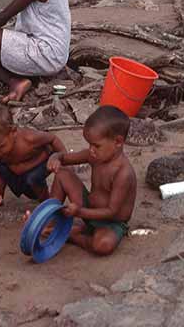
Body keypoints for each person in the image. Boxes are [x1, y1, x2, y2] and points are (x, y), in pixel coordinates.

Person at [46, 105, 137, 256]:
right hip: (88, 207)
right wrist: (55, 158)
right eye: (89, 144)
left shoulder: (123, 173)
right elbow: (64, 158)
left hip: (110, 222)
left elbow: (112, 212)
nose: (91, 150)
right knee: (62, 174)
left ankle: (73, 236)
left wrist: (80, 212)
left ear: (118, 142)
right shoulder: (94, 155)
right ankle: (48, 217)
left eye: (96, 145)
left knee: (102, 245)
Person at [0, 105, 67, 217]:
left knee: (33, 177)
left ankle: (47, 204)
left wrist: (63, 156)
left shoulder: (29, 139)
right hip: (17, 175)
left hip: (37, 169)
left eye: (1, 146)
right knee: (0, 169)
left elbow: (52, 138)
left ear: (13, 132)